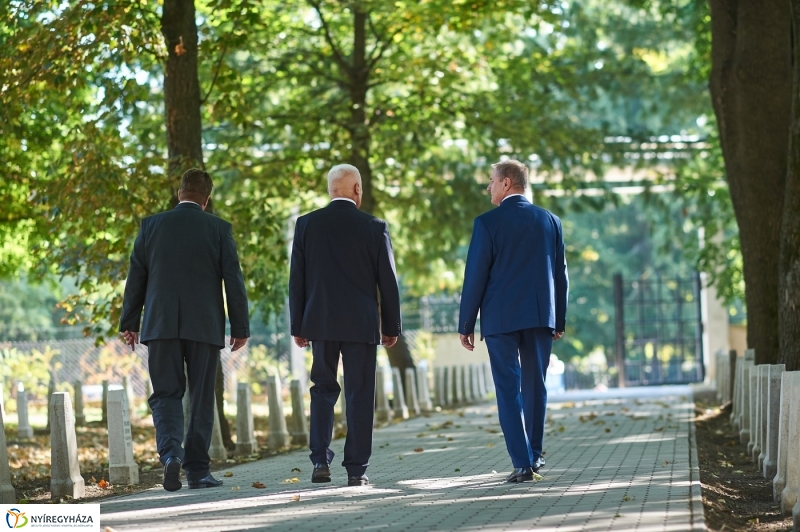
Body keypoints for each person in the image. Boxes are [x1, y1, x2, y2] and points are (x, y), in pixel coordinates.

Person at [119, 168, 250, 492]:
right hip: (204, 326)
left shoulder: (151, 226)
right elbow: (233, 279)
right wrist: (240, 327)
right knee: (202, 397)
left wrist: (130, 323)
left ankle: (170, 455)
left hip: (160, 324)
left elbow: (136, 277)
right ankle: (197, 471)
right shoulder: (219, 229)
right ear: (206, 200)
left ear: (179, 193)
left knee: (165, 393)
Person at [290, 164, 401, 487]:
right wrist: (391, 326)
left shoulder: (307, 224)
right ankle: (356, 469)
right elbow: (388, 282)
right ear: (357, 189)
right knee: (360, 394)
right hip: (361, 325)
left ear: (330, 190)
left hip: (320, 322)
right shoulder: (374, 226)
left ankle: (319, 461)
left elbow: (297, 279)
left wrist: (299, 325)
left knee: (322, 390)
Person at [458, 159, 568, 483]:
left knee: (508, 389)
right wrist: (558, 319)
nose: (488, 187)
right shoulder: (550, 221)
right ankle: (535, 454)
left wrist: (466, 324)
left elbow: (475, 276)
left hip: (500, 318)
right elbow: (560, 275)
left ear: (506, 183)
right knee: (535, 387)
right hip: (539, 316)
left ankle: (521, 464)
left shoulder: (486, 223)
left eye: (492, 181)